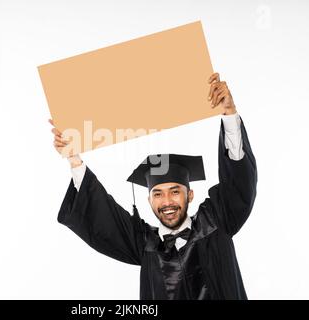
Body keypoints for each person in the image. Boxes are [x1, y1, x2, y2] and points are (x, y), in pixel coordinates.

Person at [49, 72, 257, 300]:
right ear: (149, 200)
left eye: (175, 191)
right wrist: (74, 160)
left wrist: (229, 114)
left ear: (190, 195)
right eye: (158, 193)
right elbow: (103, 219)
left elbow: (239, 182)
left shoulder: (217, 221)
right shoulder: (144, 244)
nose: (167, 201)